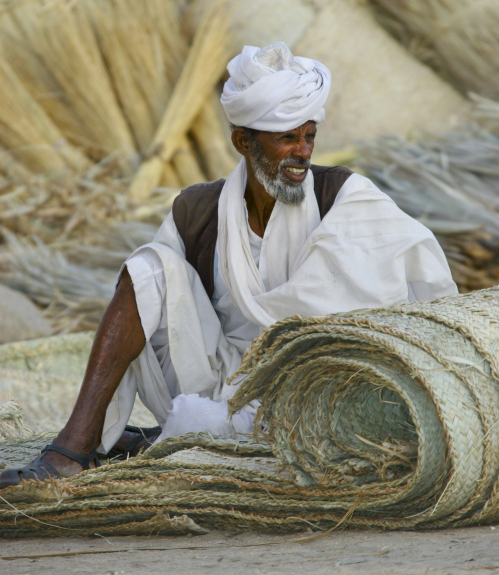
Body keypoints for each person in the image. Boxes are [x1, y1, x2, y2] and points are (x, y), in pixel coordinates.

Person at [0, 42, 457, 489]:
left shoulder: (344, 197)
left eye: (309, 135)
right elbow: (153, 302)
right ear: (243, 141)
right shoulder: (197, 211)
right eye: (287, 138)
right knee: (148, 267)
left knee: (286, 421)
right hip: (216, 381)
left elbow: (389, 290)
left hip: (312, 387)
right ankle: (72, 450)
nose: (303, 152)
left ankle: (186, 436)